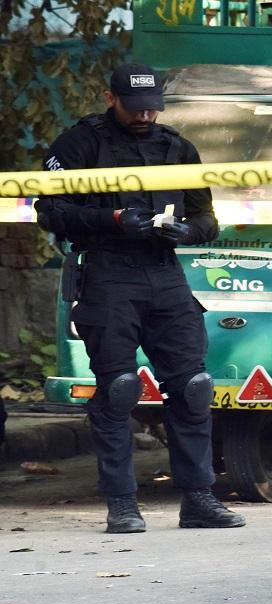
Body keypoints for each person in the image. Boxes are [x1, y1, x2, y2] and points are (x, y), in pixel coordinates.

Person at [35, 63, 244, 533]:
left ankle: (199, 499)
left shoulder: (176, 147)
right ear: (111, 99)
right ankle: (123, 505)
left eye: (153, 107)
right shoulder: (79, 144)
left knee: (193, 388)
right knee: (118, 391)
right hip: (108, 274)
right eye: (135, 107)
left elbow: (207, 215)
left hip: (165, 272)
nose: (146, 116)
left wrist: (191, 230)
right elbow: (49, 210)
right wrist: (110, 221)